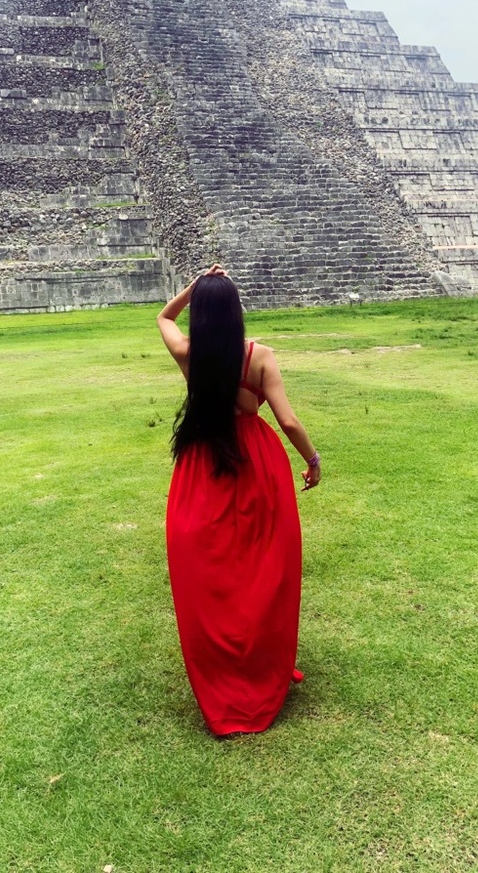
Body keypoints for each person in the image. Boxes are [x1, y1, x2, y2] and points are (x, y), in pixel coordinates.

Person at [157, 264, 322, 736]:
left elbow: (164, 319)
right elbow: (288, 422)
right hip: (257, 465)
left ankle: (226, 671)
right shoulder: (260, 356)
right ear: (237, 313)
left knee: (215, 571)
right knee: (264, 568)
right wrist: (312, 458)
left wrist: (194, 288)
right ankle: (260, 664)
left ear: (202, 315)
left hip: (201, 465)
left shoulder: (188, 352)